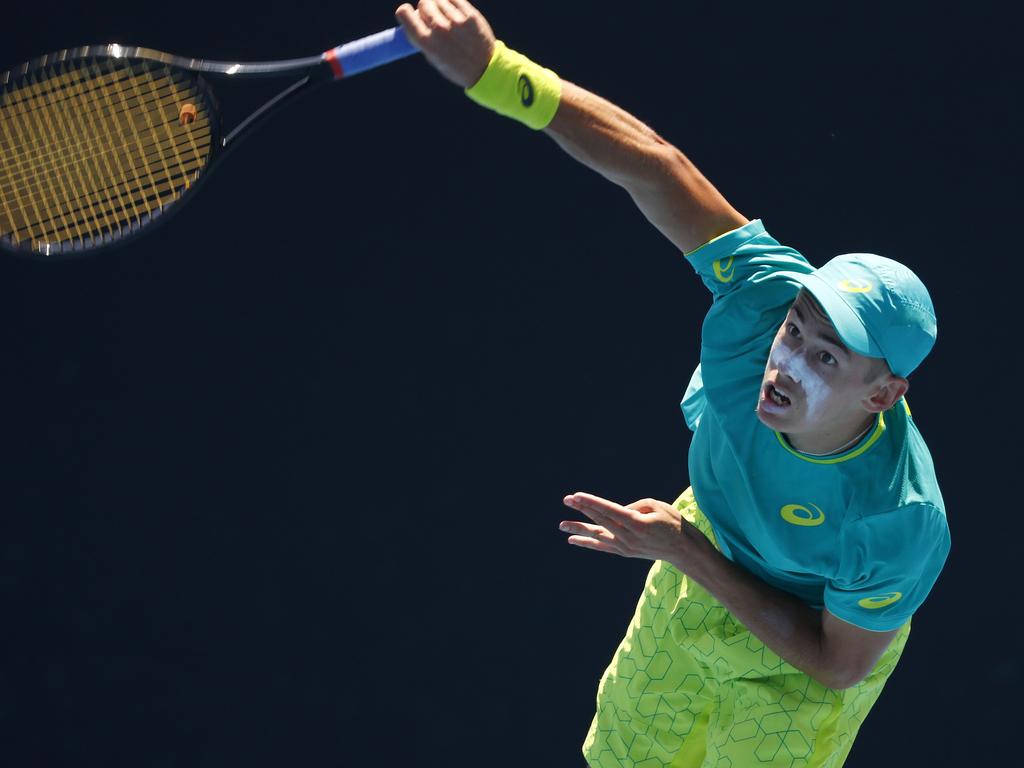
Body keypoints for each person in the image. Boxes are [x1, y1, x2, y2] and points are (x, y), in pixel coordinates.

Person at [394, 2, 951, 766]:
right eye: (796, 332)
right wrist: (498, 74)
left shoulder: (898, 521)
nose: (786, 362)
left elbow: (837, 663)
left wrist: (685, 553)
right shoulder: (760, 298)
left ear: (882, 394)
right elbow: (656, 165)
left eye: (826, 358)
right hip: (705, 550)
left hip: (801, 653)